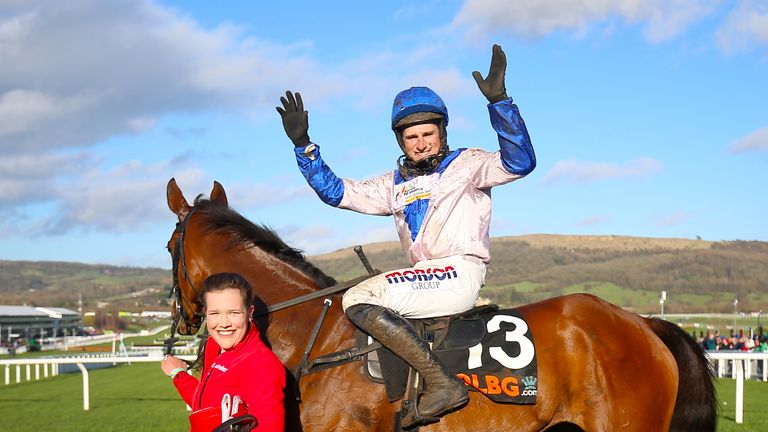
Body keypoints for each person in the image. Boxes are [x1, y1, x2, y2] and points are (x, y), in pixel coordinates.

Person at [277, 44, 535, 427]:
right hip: (427, 278)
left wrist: (500, 103)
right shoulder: (393, 183)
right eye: (411, 136)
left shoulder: (469, 164)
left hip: (458, 273)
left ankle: (442, 385)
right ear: (401, 141)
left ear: (442, 132)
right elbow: (337, 192)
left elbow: (520, 162)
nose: (421, 143)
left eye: (428, 133)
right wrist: (304, 147)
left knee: (358, 297)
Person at [161, 273, 286, 432]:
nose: (224, 323)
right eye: (215, 313)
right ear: (206, 313)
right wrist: (179, 375)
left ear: (250, 313)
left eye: (234, 313)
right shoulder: (214, 348)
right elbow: (206, 406)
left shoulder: (261, 364)